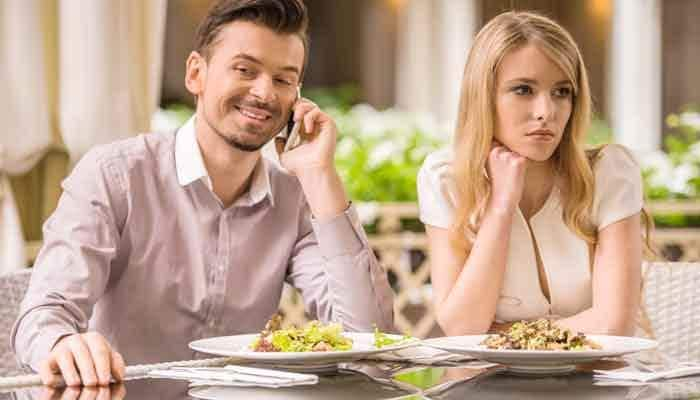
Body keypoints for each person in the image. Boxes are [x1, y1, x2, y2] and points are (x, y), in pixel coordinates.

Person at [12, 0, 394, 387]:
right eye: (245, 70)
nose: (264, 93)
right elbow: (45, 313)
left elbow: (371, 341)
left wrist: (320, 174)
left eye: (283, 79)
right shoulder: (116, 175)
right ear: (196, 73)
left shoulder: (295, 198)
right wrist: (63, 343)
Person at [418, 11, 652, 337]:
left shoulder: (608, 174)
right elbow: (461, 327)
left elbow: (613, 325)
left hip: (602, 380)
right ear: (483, 96)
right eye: (523, 90)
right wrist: (501, 204)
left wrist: (499, 333)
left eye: (561, 92)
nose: (546, 112)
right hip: (489, 384)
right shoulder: (445, 179)